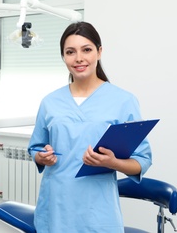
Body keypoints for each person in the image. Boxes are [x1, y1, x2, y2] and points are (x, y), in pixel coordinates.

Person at [27, 21, 152, 232]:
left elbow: (142, 161)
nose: (78, 58)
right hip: (56, 206)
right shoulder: (50, 102)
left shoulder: (123, 101)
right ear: (63, 57)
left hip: (98, 209)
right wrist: (41, 156)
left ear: (99, 52)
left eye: (86, 50)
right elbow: (36, 147)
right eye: (70, 52)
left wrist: (113, 162)